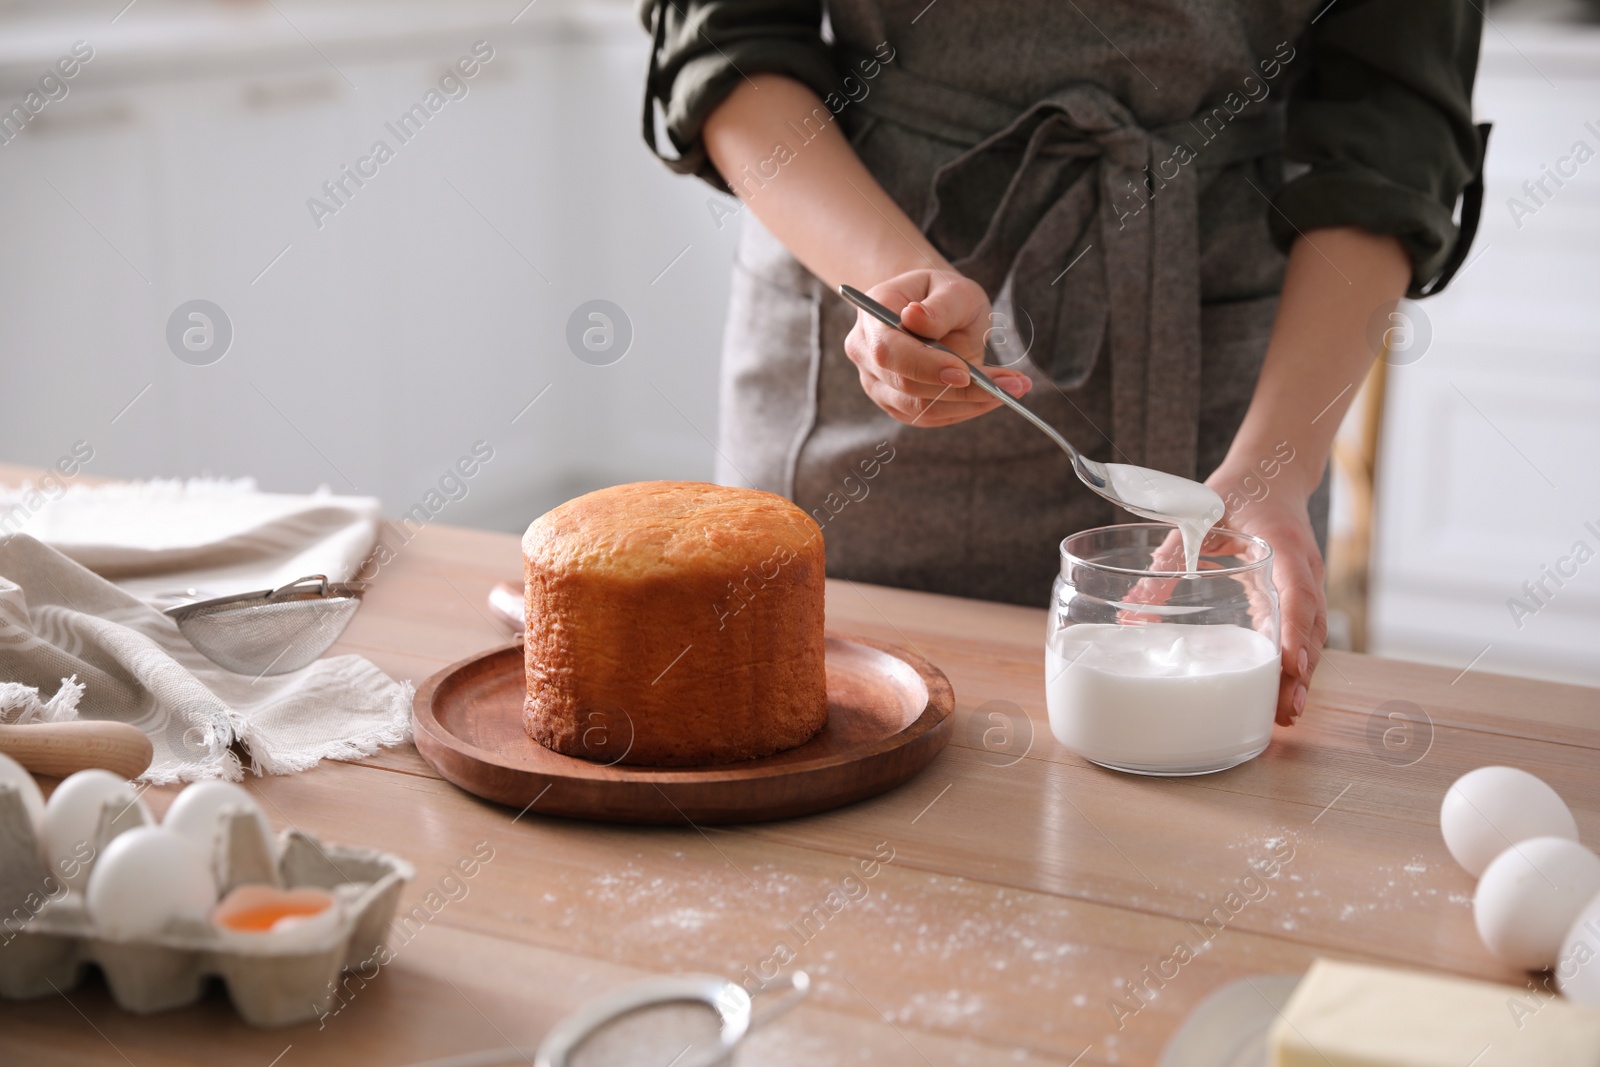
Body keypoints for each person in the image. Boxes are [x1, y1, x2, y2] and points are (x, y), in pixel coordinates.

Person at [638, 0, 1486, 725]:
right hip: (858, 325)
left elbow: (1394, 128)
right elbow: (730, 37)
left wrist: (1277, 463)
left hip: (1245, 377)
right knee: (824, 752)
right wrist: (900, 283)